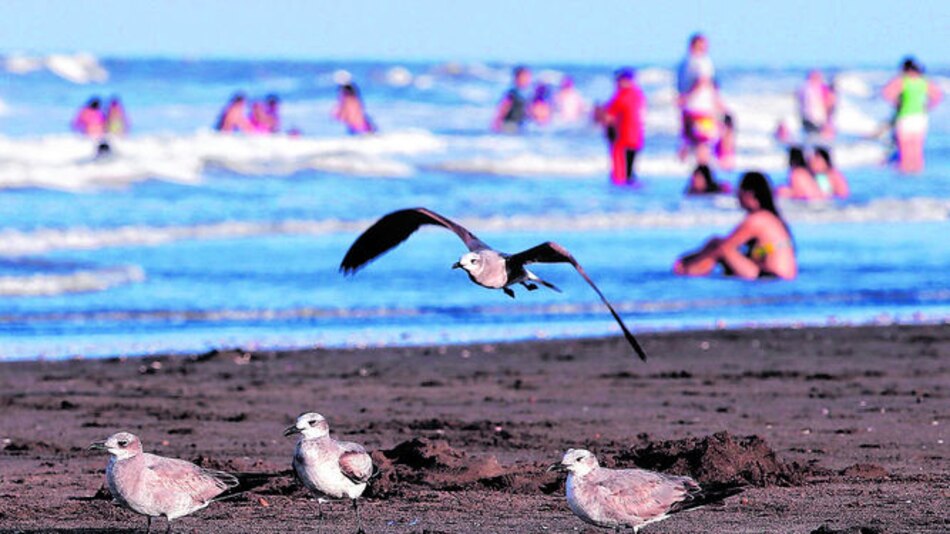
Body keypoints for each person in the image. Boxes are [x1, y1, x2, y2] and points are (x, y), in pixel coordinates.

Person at [674, 171, 796, 280]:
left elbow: (727, 245)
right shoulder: (772, 218)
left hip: (771, 276)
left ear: (749, 194)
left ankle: (689, 271)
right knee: (719, 245)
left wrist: (691, 259)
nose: (737, 197)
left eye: (739, 192)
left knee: (719, 245)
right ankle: (691, 269)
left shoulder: (757, 219)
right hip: (777, 276)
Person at [882, 57, 943, 172]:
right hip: (921, 117)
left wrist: (897, 102)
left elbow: (887, 93)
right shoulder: (924, 81)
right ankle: (917, 171)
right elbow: (938, 96)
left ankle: (904, 171)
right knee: (917, 148)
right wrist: (927, 106)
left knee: (904, 148)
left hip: (905, 116)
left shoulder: (902, 80)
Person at [594, 68, 646, 185]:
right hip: (636, 136)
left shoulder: (622, 96)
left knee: (621, 173)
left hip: (623, 137)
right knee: (630, 169)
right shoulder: (638, 94)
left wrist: (598, 114)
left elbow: (609, 116)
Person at [492, 66, 531, 133]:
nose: (527, 80)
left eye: (528, 77)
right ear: (516, 78)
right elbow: (502, 109)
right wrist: (496, 124)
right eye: (523, 77)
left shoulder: (527, 93)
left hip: (520, 126)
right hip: (510, 125)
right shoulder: (512, 93)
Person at [798, 70, 835, 140]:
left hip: (817, 119)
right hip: (811, 119)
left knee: (817, 139)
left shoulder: (821, 88)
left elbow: (829, 103)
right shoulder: (806, 89)